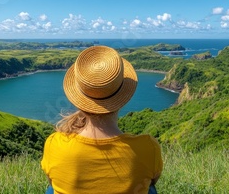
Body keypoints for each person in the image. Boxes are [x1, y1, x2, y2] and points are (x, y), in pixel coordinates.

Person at [41, 45, 163, 194]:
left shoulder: (55, 144)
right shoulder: (148, 148)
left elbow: (51, 180)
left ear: (79, 99)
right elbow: (153, 180)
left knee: (51, 188)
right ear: (122, 98)